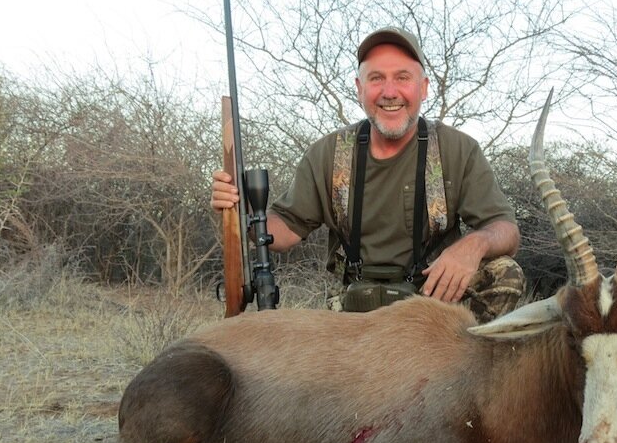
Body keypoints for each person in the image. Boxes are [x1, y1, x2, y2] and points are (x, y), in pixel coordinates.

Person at [211, 27, 524, 322]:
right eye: (376, 79)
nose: (389, 92)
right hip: (354, 310)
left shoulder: (457, 149)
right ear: (360, 89)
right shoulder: (329, 153)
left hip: (433, 302)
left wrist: (475, 244)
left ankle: (463, 369)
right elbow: (284, 231)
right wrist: (243, 210)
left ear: (423, 87)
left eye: (403, 77)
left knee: (505, 273)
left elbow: (506, 230)